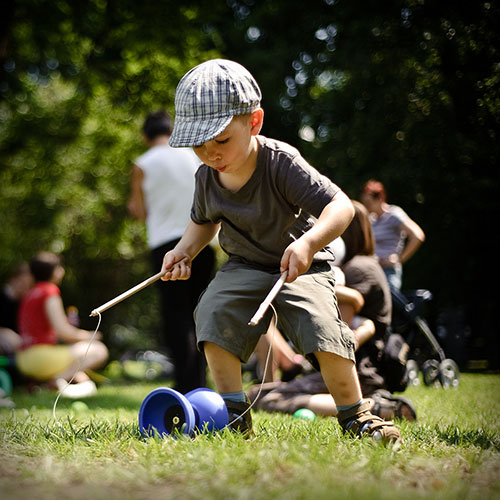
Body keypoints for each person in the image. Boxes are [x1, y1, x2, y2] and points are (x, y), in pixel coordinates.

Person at [159, 59, 400, 442]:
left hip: (300, 265)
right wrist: (183, 250)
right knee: (212, 312)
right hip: (244, 264)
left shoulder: (280, 162)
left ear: (254, 122)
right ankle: (234, 415)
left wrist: (308, 243)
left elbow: (339, 206)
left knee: (323, 327)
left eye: (220, 140)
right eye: (198, 145)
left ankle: (357, 416)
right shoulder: (207, 175)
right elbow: (204, 221)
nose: (210, 153)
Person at [248, 201, 416, 421]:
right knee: (257, 394)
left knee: (268, 400)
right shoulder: (364, 265)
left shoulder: (358, 269)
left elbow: (341, 324)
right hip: (357, 369)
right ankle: (370, 401)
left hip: (357, 372)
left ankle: (375, 406)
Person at [128, 110, 216, 393]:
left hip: (166, 245)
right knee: (201, 313)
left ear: (145, 136)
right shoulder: (192, 154)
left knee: (176, 317)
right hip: (202, 240)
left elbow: (139, 212)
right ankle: (203, 384)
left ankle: (185, 386)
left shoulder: (141, 164)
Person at [16, 252, 109, 397]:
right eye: (60, 267)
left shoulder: (30, 293)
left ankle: (48, 382)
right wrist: (90, 335)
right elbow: (63, 331)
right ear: (54, 271)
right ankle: (55, 381)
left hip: (23, 357)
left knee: (76, 363)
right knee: (99, 350)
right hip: (41, 358)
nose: (62, 271)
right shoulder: (49, 291)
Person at [360, 179, 425, 291]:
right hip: (374, 271)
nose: (367, 207)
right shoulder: (371, 219)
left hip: (388, 272)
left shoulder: (393, 214)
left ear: (379, 199)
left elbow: (417, 235)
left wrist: (399, 259)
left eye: (368, 203)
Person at [0, 261, 33, 356]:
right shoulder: (3, 297)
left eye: (27, 286)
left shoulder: (23, 302)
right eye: (22, 283)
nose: (24, 288)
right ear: (12, 279)